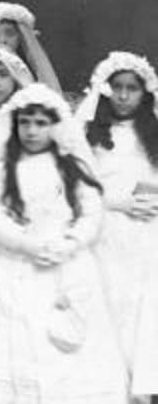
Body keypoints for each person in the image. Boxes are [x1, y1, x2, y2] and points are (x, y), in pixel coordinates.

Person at [0, 83, 127, 402]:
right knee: (23, 342)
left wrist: (69, 243)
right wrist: (27, 245)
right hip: (20, 265)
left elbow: (91, 211)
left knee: (66, 347)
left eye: (41, 123)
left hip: (66, 265)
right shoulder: (3, 170)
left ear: (56, 126)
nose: (31, 131)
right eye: (25, 122)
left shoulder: (72, 166)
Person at [79, 52, 158, 400]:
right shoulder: (88, 134)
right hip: (105, 230)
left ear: (145, 94)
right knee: (108, 305)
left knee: (142, 309)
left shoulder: (153, 134)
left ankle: (142, 390)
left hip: (147, 232)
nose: (124, 96)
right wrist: (116, 201)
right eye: (117, 88)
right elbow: (79, 188)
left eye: (132, 89)